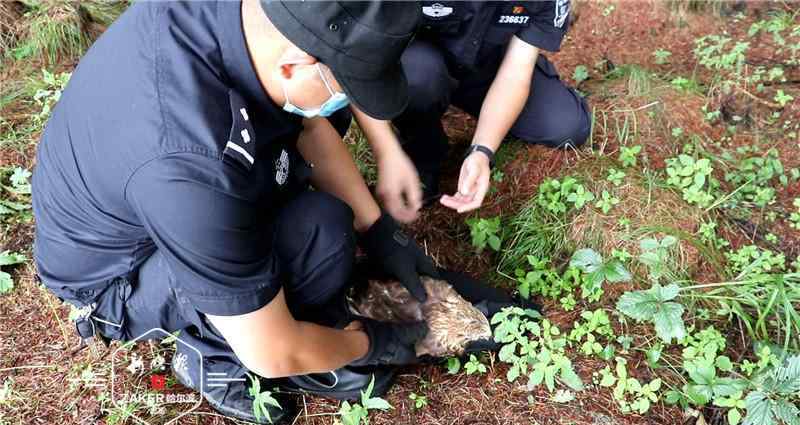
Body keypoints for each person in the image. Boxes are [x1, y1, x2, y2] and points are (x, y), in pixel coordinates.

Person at [31, 1, 440, 422]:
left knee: (322, 208)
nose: (346, 101)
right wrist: (368, 343)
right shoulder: (191, 169)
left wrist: (378, 230)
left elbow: (309, 127)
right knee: (319, 236)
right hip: (118, 276)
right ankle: (212, 357)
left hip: (159, 190)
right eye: (346, 89)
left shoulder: (259, 24)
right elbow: (274, 352)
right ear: (294, 64)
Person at [394, 0, 592, 212]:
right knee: (416, 79)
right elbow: (366, 59)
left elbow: (516, 73)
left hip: (489, 63)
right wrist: (386, 151)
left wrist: (481, 151)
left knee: (566, 126)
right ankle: (422, 156)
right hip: (420, 64)